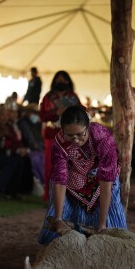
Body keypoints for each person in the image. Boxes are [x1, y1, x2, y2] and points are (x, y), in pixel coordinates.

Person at [37, 105, 127, 244]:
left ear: (88, 126)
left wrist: (102, 225)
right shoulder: (59, 143)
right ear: (62, 130)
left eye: (80, 134)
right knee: (59, 197)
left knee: (109, 228)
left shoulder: (102, 136)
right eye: (69, 135)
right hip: (73, 179)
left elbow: (106, 181)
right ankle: (64, 244)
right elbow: (60, 180)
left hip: (101, 178)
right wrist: (59, 219)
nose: (76, 140)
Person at [39, 70, 80, 201]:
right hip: (51, 134)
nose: (61, 82)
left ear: (68, 82)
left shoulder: (73, 96)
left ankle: (67, 196)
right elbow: (42, 116)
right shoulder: (48, 97)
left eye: (64, 80)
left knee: (69, 165)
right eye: (59, 79)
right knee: (50, 165)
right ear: (54, 81)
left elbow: (81, 114)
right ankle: (49, 195)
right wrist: (57, 113)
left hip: (69, 135)